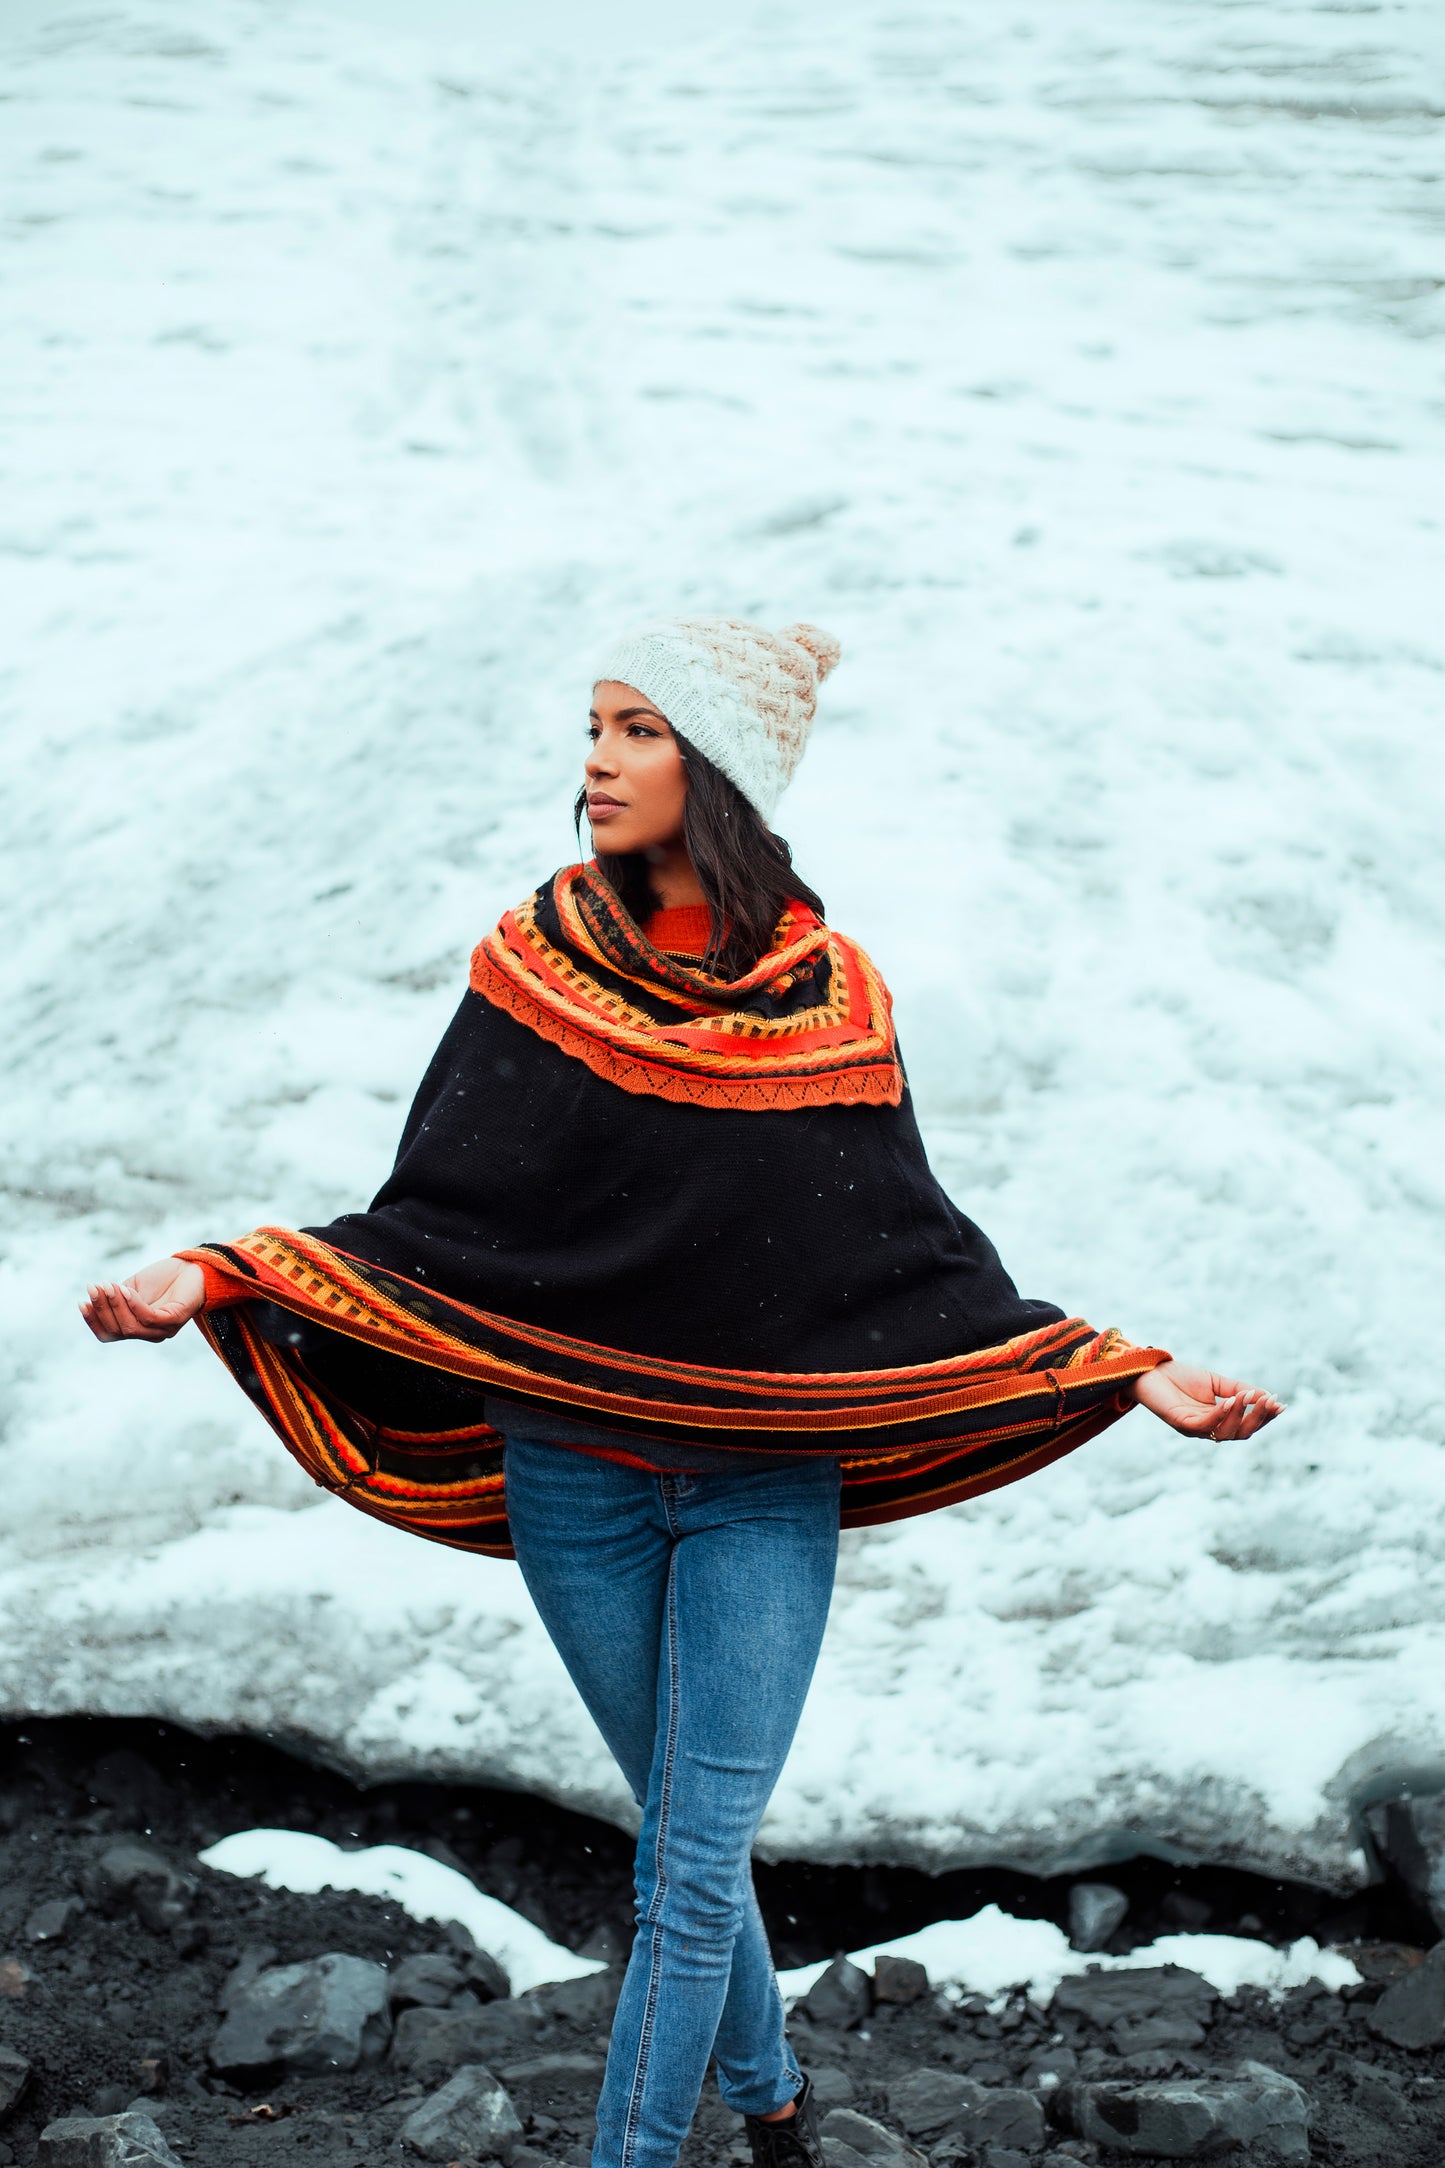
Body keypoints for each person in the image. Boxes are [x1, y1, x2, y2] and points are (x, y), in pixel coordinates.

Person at [82, 616, 1282, 2168]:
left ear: (715, 766)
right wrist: (221, 1271)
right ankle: (775, 2106)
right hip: (568, 1485)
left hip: (758, 1493)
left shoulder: (832, 999)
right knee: (686, 1855)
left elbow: (904, 1262)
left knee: (688, 1859)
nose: (595, 756)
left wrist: (1113, 1369)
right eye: (593, 721)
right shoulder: (533, 965)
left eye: (640, 727)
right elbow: (440, 1222)